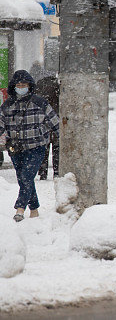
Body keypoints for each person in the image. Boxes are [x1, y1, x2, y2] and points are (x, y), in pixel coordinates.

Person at [0, 70, 60, 222]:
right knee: (23, 178)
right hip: (15, 149)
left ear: (29, 86)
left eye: (24, 85)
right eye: (18, 85)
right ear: (13, 87)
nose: (21, 87)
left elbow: (55, 123)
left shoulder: (40, 103)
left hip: (36, 147)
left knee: (27, 176)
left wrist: (61, 138)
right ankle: (34, 210)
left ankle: (20, 209)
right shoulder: (7, 106)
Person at [35, 75, 60, 180]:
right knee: (57, 148)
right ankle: (57, 171)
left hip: (43, 122)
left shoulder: (40, 87)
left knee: (44, 148)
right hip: (56, 118)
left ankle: (43, 171)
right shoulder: (58, 88)